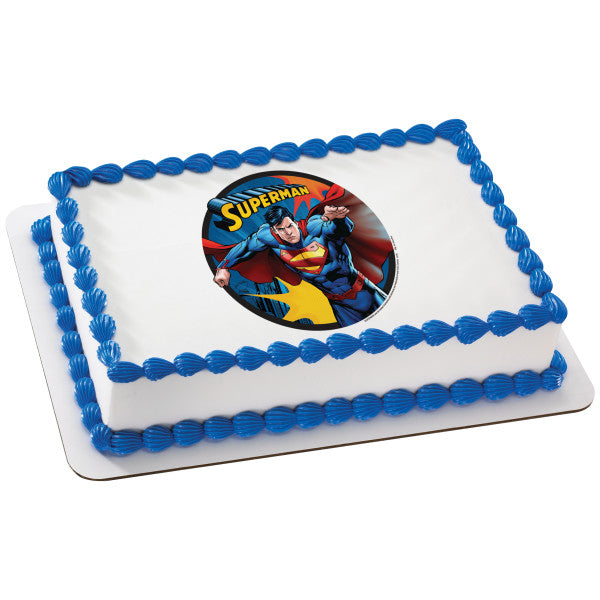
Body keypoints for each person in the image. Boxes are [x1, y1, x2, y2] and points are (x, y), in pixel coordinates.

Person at [213, 204, 386, 326]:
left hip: (365, 292)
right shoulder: (270, 239)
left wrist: (339, 219)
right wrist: (223, 267)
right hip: (340, 305)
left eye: (290, 226)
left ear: (295, 222)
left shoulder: (315, 229)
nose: (288, 232)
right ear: (274, 231)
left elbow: (340, 230)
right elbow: (245, 247)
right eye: (281, 229)